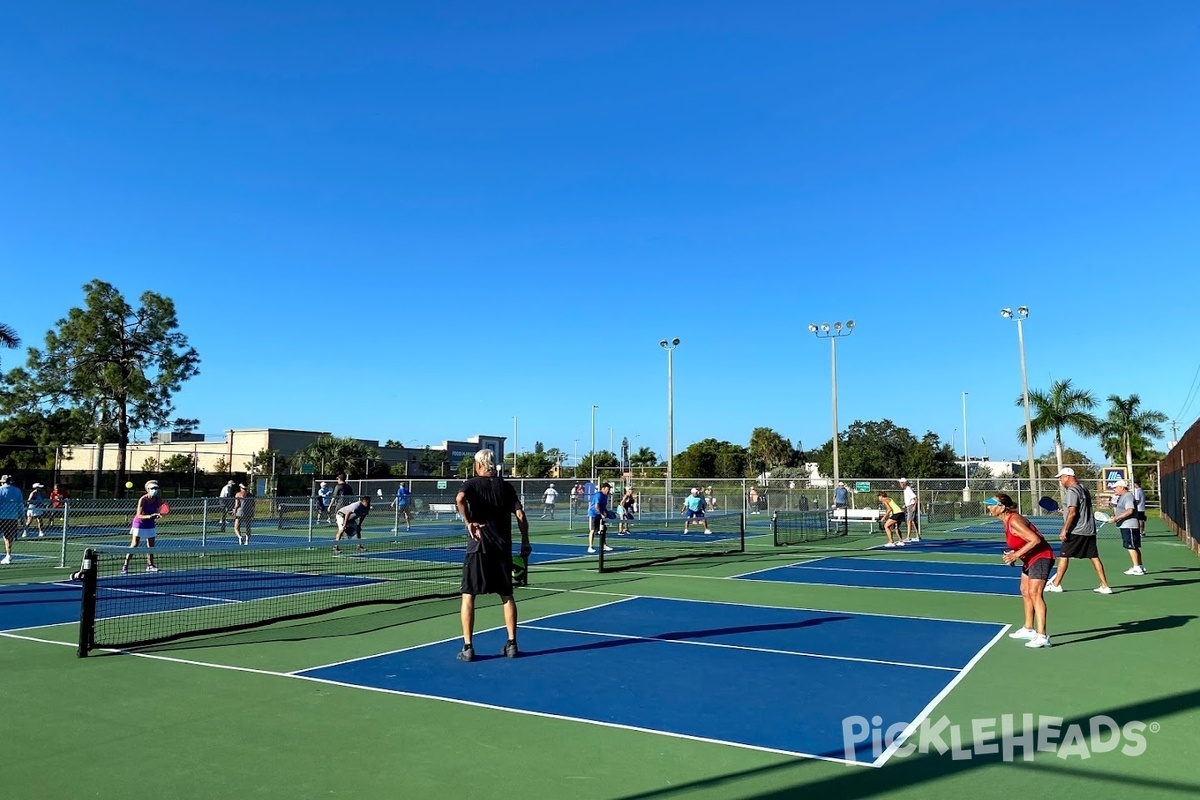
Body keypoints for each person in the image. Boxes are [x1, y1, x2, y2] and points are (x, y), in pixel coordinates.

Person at [454, 449, 531, 662]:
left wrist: (468, 521)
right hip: (502, 549)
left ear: (479, 465)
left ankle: (468, 647)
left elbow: (460, 498)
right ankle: (512, 643)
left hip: (478, 548)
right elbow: (521, 515)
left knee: (468, 595)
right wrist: (525, 541)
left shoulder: (471, 484)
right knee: (507, 596)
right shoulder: (506, 487)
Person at [988, 494, 1055, 648]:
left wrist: (1015, 555)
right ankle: (1028, 628)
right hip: (1030, 558)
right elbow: (1021, 541)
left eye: (992, 504)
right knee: (1025, 590)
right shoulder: (1006, 521)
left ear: (1002, 508)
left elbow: (1035, 540)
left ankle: (1042, 636)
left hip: (1042, 557)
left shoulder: (1014, 521)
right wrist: (1013, 554)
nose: (989, 507)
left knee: (1035, 594)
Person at [1044, 467, 1111, 594]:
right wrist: (1064, 510)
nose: (1060, 481)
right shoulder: (1083, 489)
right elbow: (1078, 509)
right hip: (1089, 529)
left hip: (1076, 530)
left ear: (1068, 477)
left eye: (1061, 478)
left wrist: (1064, 530)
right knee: (1094, 557)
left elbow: (1073, 512)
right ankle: (1105, 585)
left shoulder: (1072, 491)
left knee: (1064, 556)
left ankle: (1057, 584)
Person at [122, 480, 163, 574]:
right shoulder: (143, 499)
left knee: (151, 546)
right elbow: (139, 515)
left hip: (150, 524)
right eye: (152, 488)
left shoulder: (158, 499)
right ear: (148, 489)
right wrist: (150, 516)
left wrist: (159, 514)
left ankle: (150, 565)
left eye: (156, 488)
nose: (154, 490)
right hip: (139, 523)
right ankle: (125, 566)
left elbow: (161, 509)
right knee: (134, 545)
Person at [1110, 480, 1146, 576]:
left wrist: (1116, 518)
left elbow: (1130, 511)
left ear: (1122, 487)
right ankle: (1140, 566)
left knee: (1130, 546)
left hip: (1129, 525)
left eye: (1115, 487)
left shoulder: (1128, 496)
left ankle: (1136, 568)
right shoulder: (1123, 497)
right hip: (1128, 525)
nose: (1114, 489)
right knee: (1134, 546)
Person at [0, 476, 24, 565]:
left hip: (1, 517)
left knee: (7, 538)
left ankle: (8, 556)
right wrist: (22, 518)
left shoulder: (0, 490)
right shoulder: (17, 490)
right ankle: (8, 556)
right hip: (13, 517)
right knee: (9, 538)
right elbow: (20, 505)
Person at [587, 482, 614, 554]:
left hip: (599, 515)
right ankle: (590, 547)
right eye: (608, 489)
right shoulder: (598, 495)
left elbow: (603, 507)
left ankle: (604, 545)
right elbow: (597, 506)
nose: (608, 491)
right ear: (603, 489)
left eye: (609, 489)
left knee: (603, 529)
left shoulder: (605, 496)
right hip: (593, 514)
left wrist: (606, 512)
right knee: (592, 530)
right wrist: (602, 514)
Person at [899, 478, 920, 542]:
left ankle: (908, 537)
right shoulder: (905, 490)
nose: (900, 484)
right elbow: (909, 499)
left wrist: (914, 506)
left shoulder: (908, 489)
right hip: (909, 506)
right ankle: (918, 536)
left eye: (900, 483)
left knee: (909, 521)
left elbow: (916, 498)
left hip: (911, 506)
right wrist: (905, 505)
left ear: (903, 483)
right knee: (912, 521)